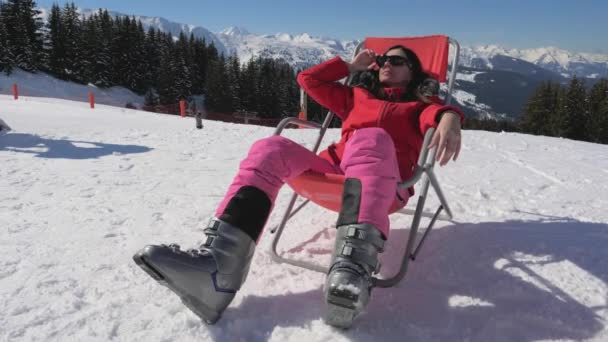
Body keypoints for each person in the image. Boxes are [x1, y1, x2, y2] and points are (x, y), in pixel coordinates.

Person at [133, 45, 464, 328]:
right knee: (270, 148)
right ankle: (216, 270)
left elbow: (438, 116)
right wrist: (350, 67)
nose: (387, 64)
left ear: (414, 73)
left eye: (397, 61)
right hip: (334, 172)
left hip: (383, 184)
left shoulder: (420, 107)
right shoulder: (356, 97)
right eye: (384, 60)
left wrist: (449, 117)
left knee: (371, 137)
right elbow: (308, 80)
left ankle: (351, 273)